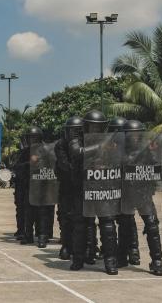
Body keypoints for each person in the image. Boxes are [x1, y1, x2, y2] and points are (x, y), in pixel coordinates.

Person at [69, 110, 119, 274]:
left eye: (98, 128)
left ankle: (110, 261)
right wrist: (99, 147)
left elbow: (118, 160)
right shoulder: (76, 140)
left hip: (103, 188)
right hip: (82, 189)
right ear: (86, 126)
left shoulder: (111, 142)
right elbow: (77, 153)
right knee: (80, 225)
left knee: (108, 224)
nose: (95, 131)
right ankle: (78, 258)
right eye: (92, 127)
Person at [119, 120, 162, 276]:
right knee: (129, 225)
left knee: (149, 226)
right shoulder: (127, 151)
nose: (134, 137)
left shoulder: (141, 151)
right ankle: (153, 261)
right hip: (133, 193)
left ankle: (157, 261)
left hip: (139, 194)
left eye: (136, 134)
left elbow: (156, 171)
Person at [54, 116, 82, 260]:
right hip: (67, 186)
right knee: (65, 217)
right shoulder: (60, 145)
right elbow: (64, 165)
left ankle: (88, 247)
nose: (75, 134)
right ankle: (67, 245)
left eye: (77, 131)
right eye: (72, 131)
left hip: (82, 186)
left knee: (84, 219)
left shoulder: (86, 143)